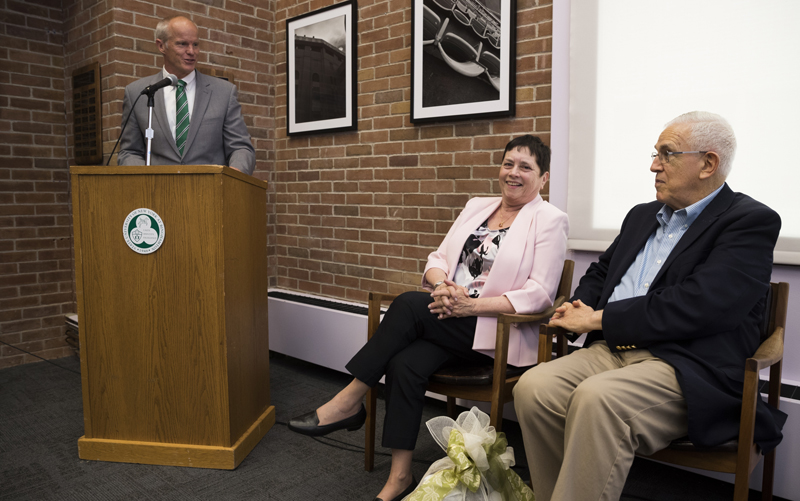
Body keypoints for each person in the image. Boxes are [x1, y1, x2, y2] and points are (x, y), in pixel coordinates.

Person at [513, 111, 787, 501]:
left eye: (667, 154)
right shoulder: (642, 215)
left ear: (708, 163)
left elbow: (702, 304)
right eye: (655, 154)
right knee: (534, 387)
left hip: (686, 363)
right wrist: (578, 306)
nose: (654, 165)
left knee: (599, 399)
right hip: (612, 349)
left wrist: (597, 318)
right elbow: (602, 271)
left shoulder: (749, 221)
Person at [288, 135, 569, 501]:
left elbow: (540, 294)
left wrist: (470, 306)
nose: (513, 172)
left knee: (408, 305)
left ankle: (349, 399)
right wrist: (441, 287)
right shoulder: (477, 206)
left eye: (525, 167)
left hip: (497, 332)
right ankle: (400, 477)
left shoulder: (550, 220)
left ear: (543, 178)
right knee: (405, 362)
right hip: (450, 319)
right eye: (508, 163)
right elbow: (438, 258)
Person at [117, 15, 256, 175]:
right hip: (157, 189)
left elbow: (241, 148)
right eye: (182, 44)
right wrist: (144, 181)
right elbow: (130, 152)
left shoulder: (224, 92)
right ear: (161, 46)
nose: (191, 51)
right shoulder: (138, 93)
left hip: (211, 188)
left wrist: (234, 177)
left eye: (195, 44)